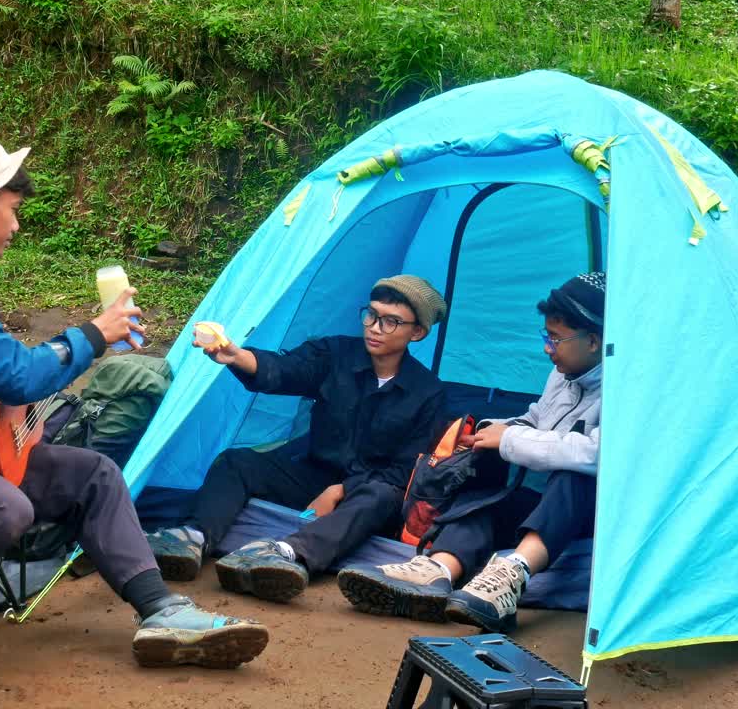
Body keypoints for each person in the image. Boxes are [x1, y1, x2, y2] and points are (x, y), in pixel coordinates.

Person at [0, 130, 268, 669]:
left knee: (93, 474)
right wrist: (92, 334)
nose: (16, 224)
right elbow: (14, 375)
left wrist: (13, 421)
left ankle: (163, 612)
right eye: (13, 209)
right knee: (1, 506)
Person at [146, 276, 447, 603]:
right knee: (238, 461)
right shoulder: (336, 354)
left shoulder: (427, 393)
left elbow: (407, 473)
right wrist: (234, 354)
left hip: (368, 492)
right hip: (314, 475)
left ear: (417, 333)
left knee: (382, 496)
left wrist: (340, 491)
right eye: (371, 315)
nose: (375, 327)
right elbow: (284, 370)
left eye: (392, 322)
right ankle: (193, 537)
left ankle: (288, 555)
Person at [337, 271, 605, 633]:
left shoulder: (628, 387)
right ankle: (438, 570)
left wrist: (509, 440)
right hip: (546, 504)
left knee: (576, 475)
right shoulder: (563, 372)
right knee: (488, 497)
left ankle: (513, 574)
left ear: (593, 341)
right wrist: (490, 431)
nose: (547, 348)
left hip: (596, 512)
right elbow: (538, 418)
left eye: (555, 339)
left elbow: (599, 455)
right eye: (547, 336)